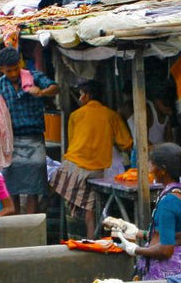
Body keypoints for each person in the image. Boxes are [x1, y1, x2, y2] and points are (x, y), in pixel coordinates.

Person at [52, 80, 134, 236]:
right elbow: (126, 143)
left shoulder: (76, 115)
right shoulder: (112, 115)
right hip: (98, 170)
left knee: (52, 186)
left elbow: (71, 144)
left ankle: (51, 228)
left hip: (75, 165)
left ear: (87, 96)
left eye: (82, 95)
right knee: (89, 206)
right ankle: (91, 239)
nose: (81, 98)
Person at [111, 143, 181, 280]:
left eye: (152, 165)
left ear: (163, 170)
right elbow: (171, 235)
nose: (150, 170)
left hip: (168, 273)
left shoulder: (168, 202)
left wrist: (134, 249)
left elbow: (166, 249)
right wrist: (137, 232)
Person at [0, 47, 59, 214]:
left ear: (20, 64)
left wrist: (42, 92)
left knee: (33, 189)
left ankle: (31, 227)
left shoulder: (33, 77)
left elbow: (54, 88)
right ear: (1, 69)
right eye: (9, 70)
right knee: (12, 187)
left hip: (34, 139)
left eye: (16, 68)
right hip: (11, 142)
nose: (14, 73)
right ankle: (16, 226)